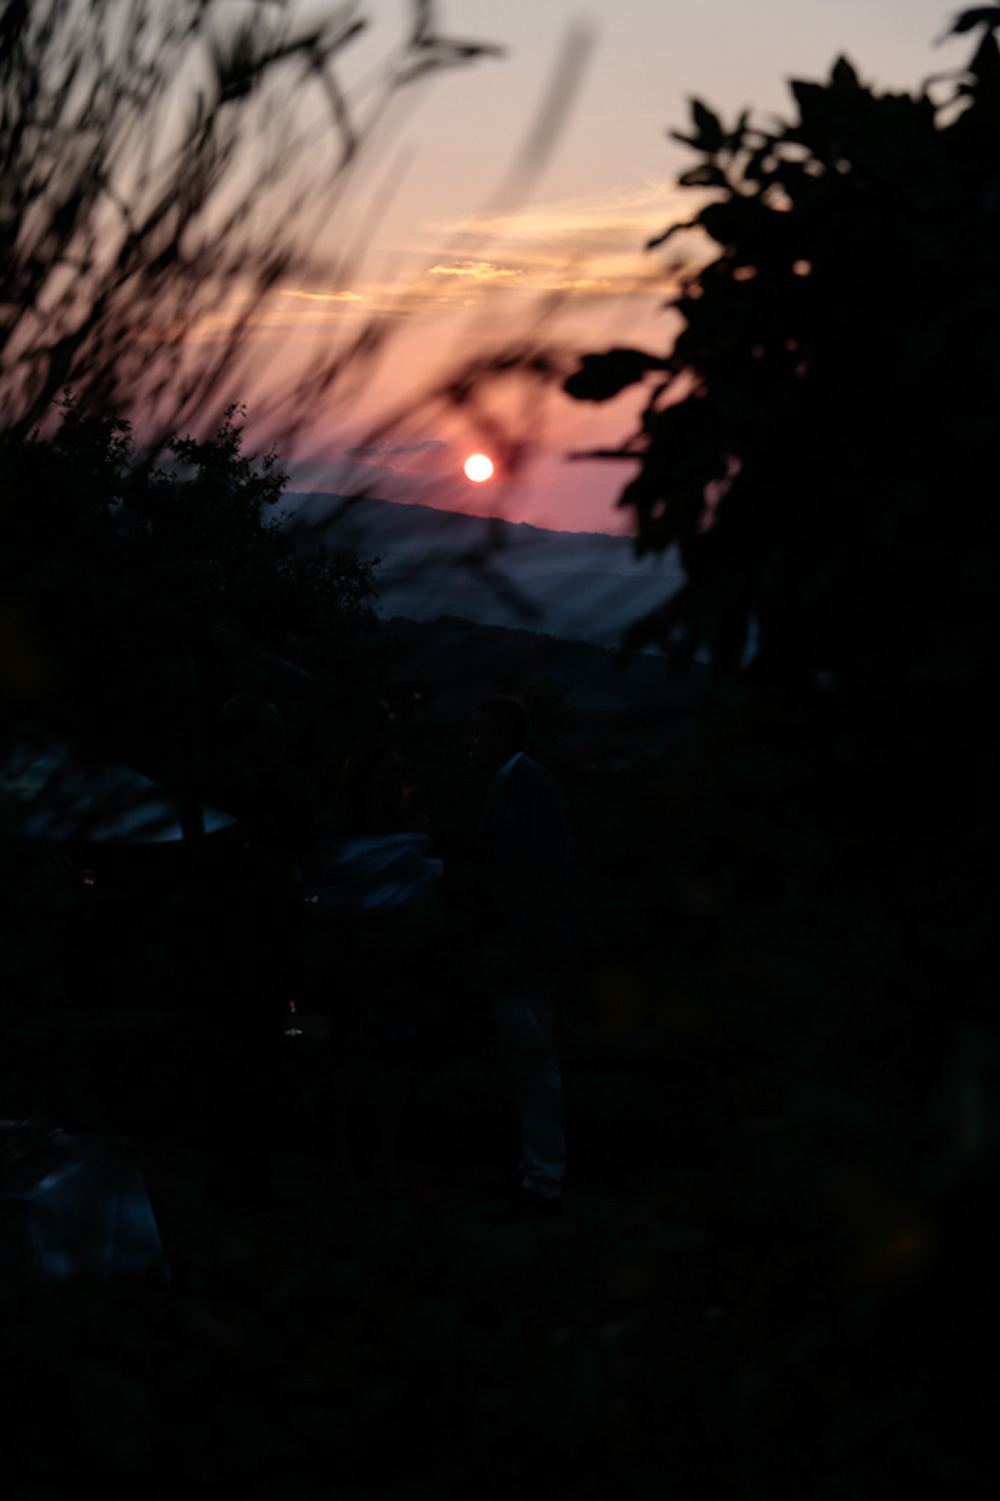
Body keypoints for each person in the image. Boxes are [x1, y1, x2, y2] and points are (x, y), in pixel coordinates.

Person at [301, 710, 442, 1196]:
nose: (393, 782)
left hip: (398, 958)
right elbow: (325, 891)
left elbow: (417, 884)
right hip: (348, 957)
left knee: (394, 1060)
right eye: (385, 772)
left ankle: (383, 1156)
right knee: (340, 1060)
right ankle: (340, 1159)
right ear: (363, 776)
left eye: (398, 773)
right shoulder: (333, 825)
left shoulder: (413, 823)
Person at [461, 695, 572, 1224]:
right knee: (524, 1064)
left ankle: (543, 1180)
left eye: (479, 733)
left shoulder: (530, 789)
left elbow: (539, 882)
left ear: (502, 736)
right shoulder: (516, 786)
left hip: (523, 957)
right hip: (515, 953)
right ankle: (531, 1171)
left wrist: (514, 948)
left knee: (534, 1064)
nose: (471, 742)